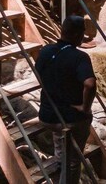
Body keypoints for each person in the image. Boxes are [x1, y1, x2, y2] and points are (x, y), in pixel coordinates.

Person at [34, 16, 96, 184]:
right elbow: (90, 85)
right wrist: (84, 108)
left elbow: (38, 72)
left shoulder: (46, 51)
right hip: (69, 119)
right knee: (73, 162)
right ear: (78, 34)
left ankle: (61, 161)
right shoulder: (79, 57)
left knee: (62, 145)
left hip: (47, 115)